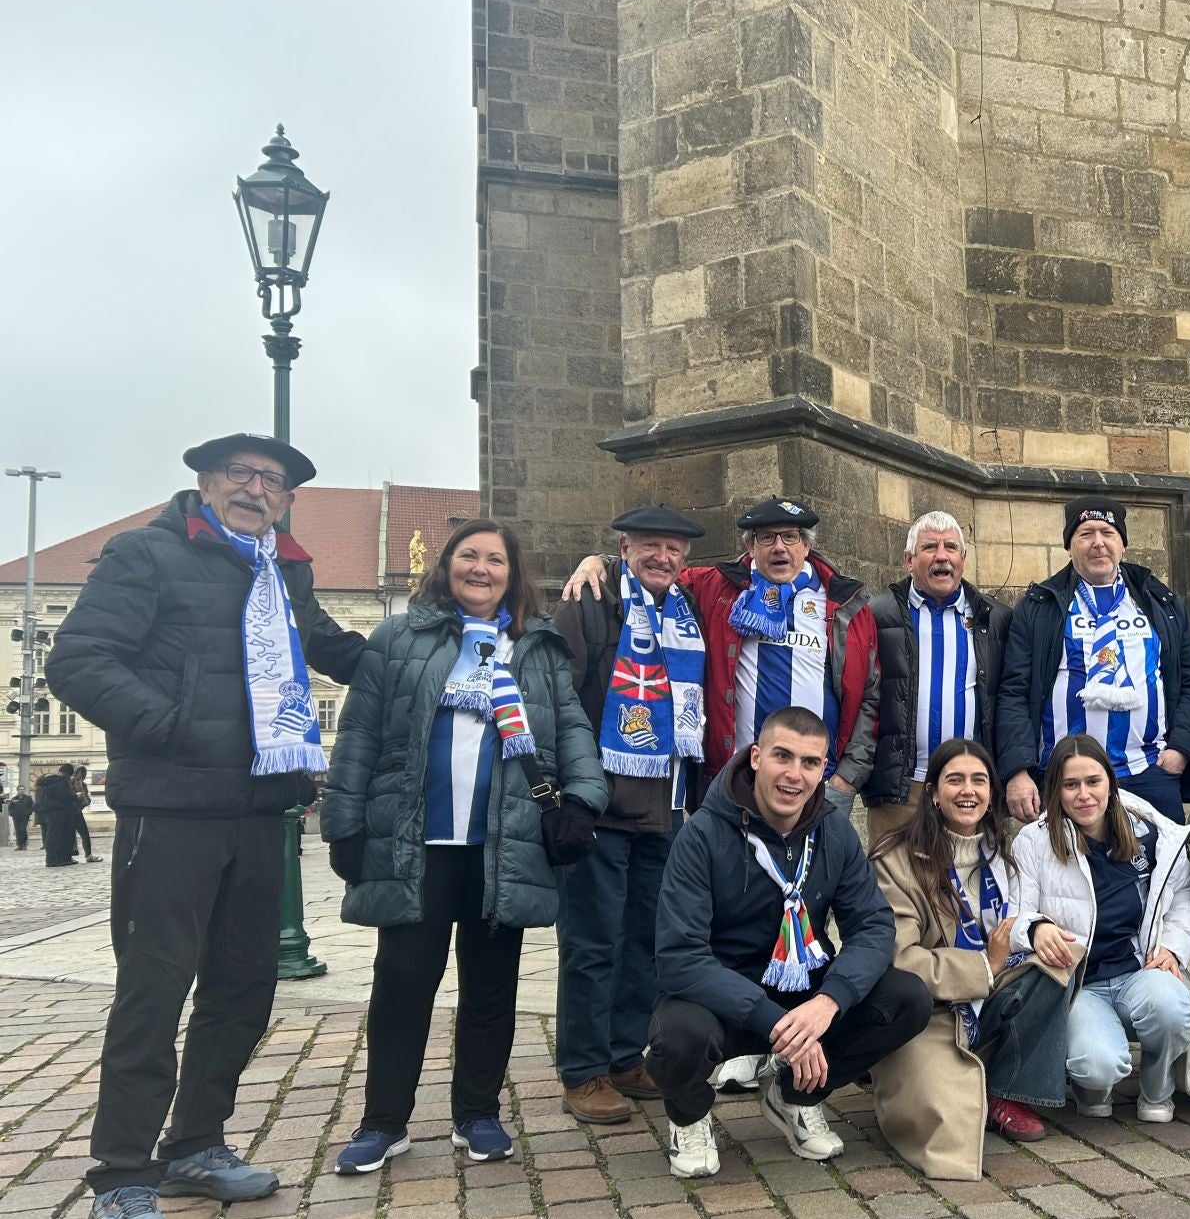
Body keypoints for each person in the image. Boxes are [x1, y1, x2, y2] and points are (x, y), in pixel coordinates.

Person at [44, 432, 366, 1219]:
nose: (258, 490)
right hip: (173, 806)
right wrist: (170, 726)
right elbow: (80, 660)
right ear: (206, 482)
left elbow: (331, 647)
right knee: (153, 991)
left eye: (275, 482)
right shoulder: (147, 555)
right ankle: (120, 1175)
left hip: (261, 808)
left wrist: (436, 651)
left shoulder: (282, 570)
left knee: (243, 986)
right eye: (243, 475)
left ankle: (195, 1144)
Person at [324, 520, 605, 1174]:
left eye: (495, 559)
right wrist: (342, 819)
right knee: (402, 982)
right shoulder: (401, 638)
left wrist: (584, 800)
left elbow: (571, 730)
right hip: (417, 843)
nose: (480, 568)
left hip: (500, 845)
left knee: (490, 987)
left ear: (513, 572)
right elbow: (360, 731)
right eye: (468, 556)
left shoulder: (537, 646)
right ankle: (383, 1121)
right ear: (447, 565)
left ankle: (477, 1114)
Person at [647, 708, 932, 1177]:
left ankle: (793, 1096)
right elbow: (679, 958)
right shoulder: (701, 833)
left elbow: (875, 928)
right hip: (723, 1000)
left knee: (907, 998)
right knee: (679, 1037)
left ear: (824, 769)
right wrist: (774, 1022)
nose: (794, 775)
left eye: (810, 762)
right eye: (782, 756)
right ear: (756, 757)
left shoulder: (834, 831)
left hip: (805, 995)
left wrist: (829, 1002)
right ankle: (689, 1115)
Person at [565, 498, 879, 819]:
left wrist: (847, 777)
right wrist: (599, 561)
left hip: (816, 780)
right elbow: (656, 569)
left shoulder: (845, 603)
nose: (779, 548)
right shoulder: (715, 586)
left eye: (790, 537)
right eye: (766, 538)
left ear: (807, 546)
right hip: (734, 778)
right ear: (750, 545)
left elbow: (870, 696)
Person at [550, 505, 711, 1125]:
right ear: (623, 546)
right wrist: (572, 787)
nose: (662, 558)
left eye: (673, 550)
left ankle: (623, 1055)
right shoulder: (589, 599)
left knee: (646, 939)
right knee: (592, 944)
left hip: (664, 806)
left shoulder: (686, 610)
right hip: (601, 803)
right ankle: (583, 1070)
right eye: (649, 546)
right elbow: (560, 696)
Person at [868, 738, 1078, 1177]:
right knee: (949, 1134)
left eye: (979, 780)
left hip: (988, 992)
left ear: (991, 792)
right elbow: (899, 960)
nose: (968, 791)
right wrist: (986, 966)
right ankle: (943, 1079)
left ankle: (1006, 1089)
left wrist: (1038, 930)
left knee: (1059, 960)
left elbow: (1016, 923)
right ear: (933, 793)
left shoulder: (1004, 850)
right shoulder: (894, 858)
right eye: (955, 780)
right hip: (930, 1011)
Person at [1010, 734, 1190, 1121]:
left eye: (1093, 782)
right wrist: (1036, 929)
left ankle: (1158, 1088)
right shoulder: (1033, 841)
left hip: (1139, 971)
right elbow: (1015, 914)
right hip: (1079, 984)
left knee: (1172, 1010)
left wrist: (1175, 948)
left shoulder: (1150, 831)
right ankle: (1091, 1088)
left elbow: (1181, 896)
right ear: (1056, 791)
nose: (1084, 795)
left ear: (1110, 784)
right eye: (1071, 784)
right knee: (1098, 1065)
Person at [997, 497, 1190, 826]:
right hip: (1063, 777)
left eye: (1107, 532)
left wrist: (1180, 749)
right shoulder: (1039, 607)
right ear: (1069, 546)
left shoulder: (1160, 602)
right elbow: (1014, 691)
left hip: (1147, 770)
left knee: (1161, 873)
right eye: (1085, 534)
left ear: (1122, 544)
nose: (1098, 543)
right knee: (1065, 874)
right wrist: (1018, 769)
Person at [864, 512, 1011, 840]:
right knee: (898, 887)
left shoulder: (997, 618)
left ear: (963, 558)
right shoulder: (876, 614)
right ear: (908, 560)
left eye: (950, 547)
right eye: (929, 547)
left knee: (972, 885)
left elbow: (1011, 698)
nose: (941, 556)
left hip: (973, 788)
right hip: (903, 790)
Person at [34, 768, 75, 868]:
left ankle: (53, 859)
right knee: (55, 835)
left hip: (49, 810)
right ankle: (53, 860)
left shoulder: (45, 783)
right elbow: (65, 797)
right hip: (58, 810)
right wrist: (76, 796)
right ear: (67, 774)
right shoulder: (59, 781)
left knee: (52, 834)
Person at [69, 765, 103, 863]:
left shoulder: (83, 785)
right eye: (78, 772)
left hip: (78, 811)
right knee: (71, 835)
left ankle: (88, 855)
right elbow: (68, 796)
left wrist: (86, 800)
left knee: (85, 834)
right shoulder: (70, 782)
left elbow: (86, 797)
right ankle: (69, 855)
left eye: (82, 772)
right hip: (71, 812)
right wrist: (76, 797)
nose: (80, 774)